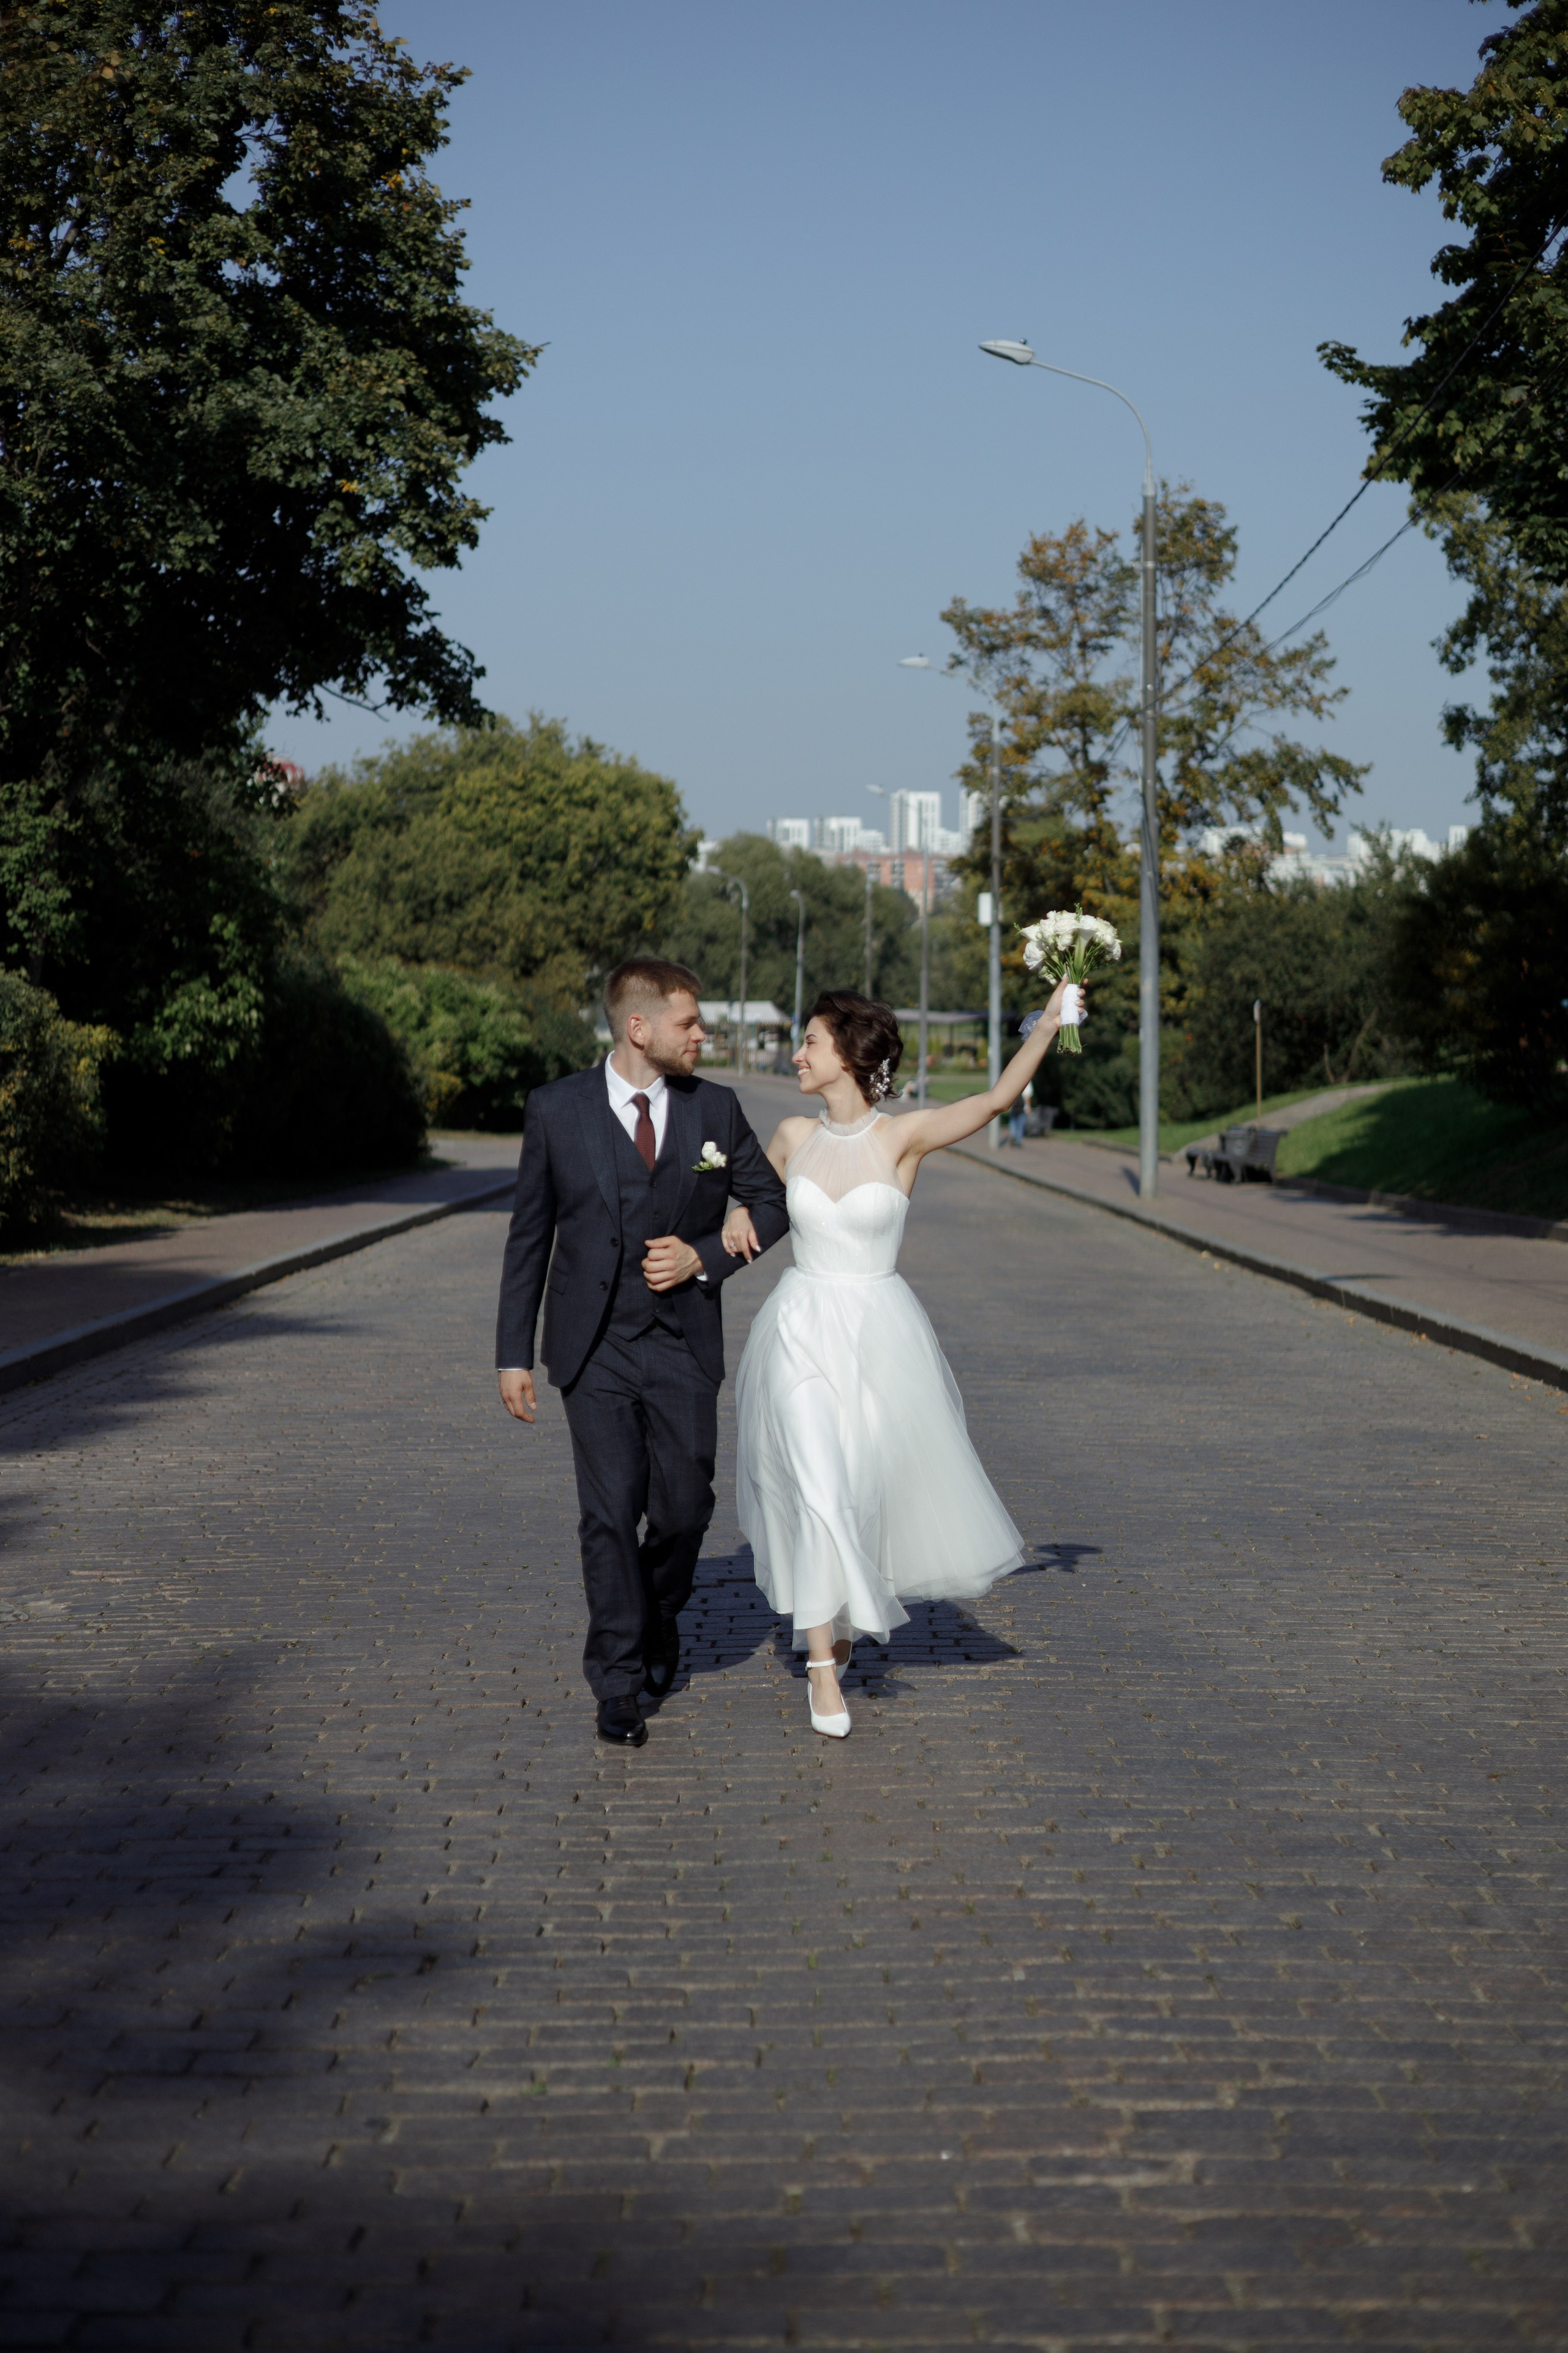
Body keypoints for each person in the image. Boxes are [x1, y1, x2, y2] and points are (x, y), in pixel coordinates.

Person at [721, 976, 1082, 1737]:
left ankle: (844, 1610)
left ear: (847, 1054)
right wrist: (727, 1219)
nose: (798, 1055)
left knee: (859, 1485)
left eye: (810, 1042)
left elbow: (990, 1103)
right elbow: (751, 1199)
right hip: (798, 1328)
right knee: (816, 1481)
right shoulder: (790, 1136)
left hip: (880, 1334)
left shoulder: (903, 1137)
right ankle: (821, 1666)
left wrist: (1046, 1024)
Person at [495, 958, 790, 1748]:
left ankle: (658, 1613)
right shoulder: (556, 1110)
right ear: (639, 1028)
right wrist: (512, 1352)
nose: (703, 1034)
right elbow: (529, 1237)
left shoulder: (715, 1111)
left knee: (687, 1509)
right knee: (607, 1512)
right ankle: (618, 1680)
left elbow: (771, 1200)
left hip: (682, 1344)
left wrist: (707, 1256)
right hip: (592, 1348)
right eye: (689, 1023)